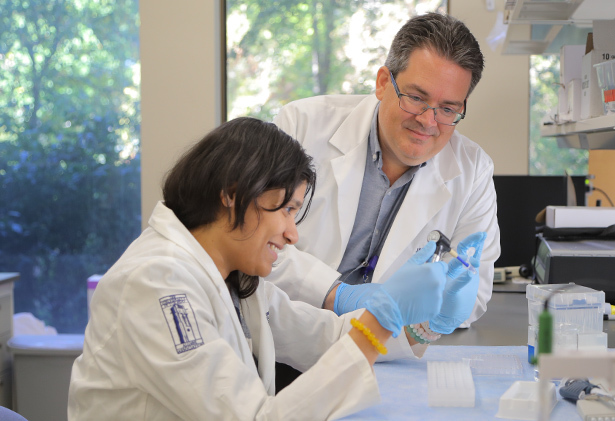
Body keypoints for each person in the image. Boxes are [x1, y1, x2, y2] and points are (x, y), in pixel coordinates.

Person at [67, 117, 469, 420]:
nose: (293, 235)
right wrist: (382, 319)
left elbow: (326, 337)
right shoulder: (155, 284)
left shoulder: (235, 278)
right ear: (232, 195)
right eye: (288, 209)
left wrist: (418, 325)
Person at [265, 12, 500, 329]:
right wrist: (336, 294)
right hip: (284, 331)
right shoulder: (301, 125)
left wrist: (439, 310)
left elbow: (471, 292)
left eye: (448, 109)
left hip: (385, 351)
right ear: (382, 83)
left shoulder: (473, 171)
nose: (428, 122)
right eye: (416, 98)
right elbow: (254, 238)